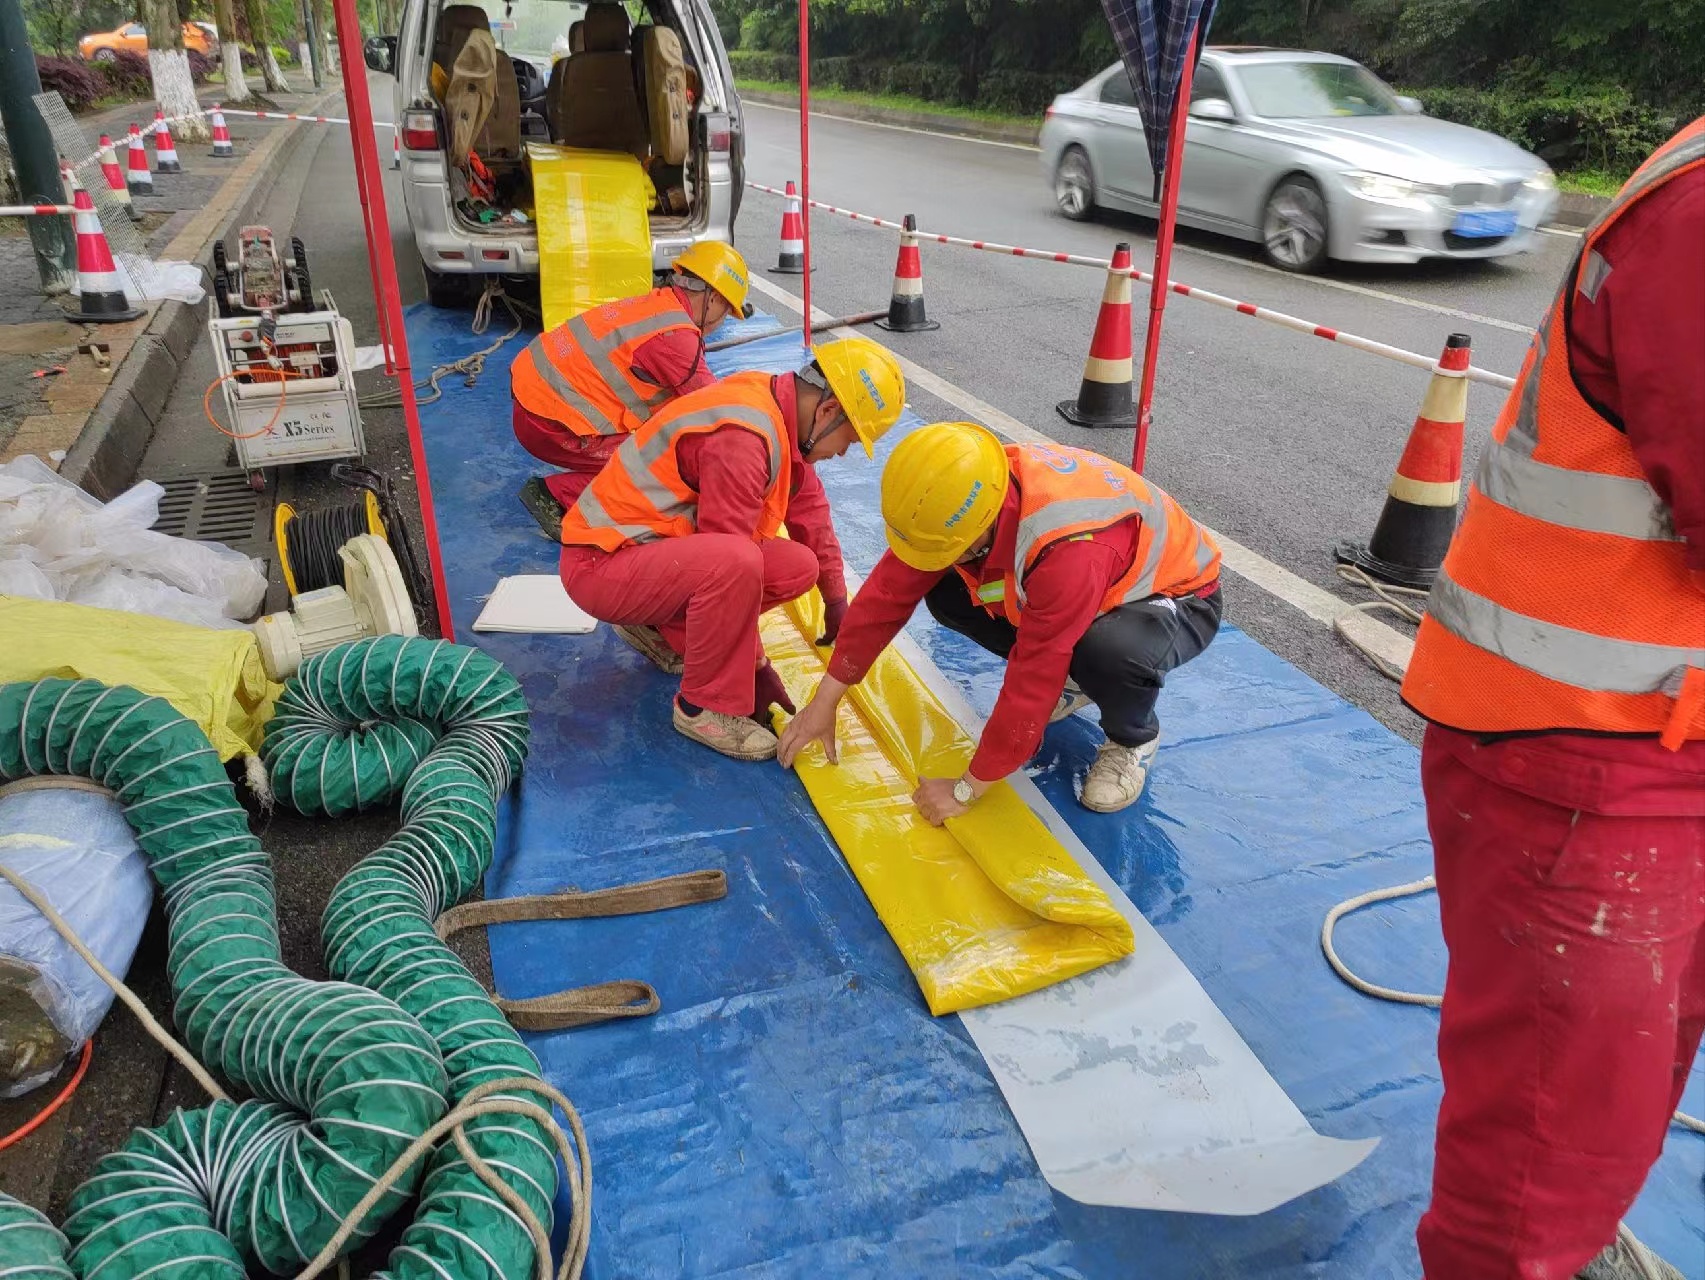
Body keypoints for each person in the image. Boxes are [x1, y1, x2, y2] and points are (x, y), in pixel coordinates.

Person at [1399, 116, 1705, 1280]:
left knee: (1632, 1070)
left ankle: (1570, 1243)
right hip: (1582, 743)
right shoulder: (1696, 212)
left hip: (1649, 725)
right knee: (1545, 1135)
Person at [778, 422, 1222, 817]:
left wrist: (966, 790)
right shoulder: (960, 489)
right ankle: (1078, 679)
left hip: (1174, 595)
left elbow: (1033, 674)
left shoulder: (1066, 551)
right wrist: (826, 701)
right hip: (1087, 582)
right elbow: (885, 597)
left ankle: (1133, 738)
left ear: (983, 526)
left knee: (1108, 652)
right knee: (947, 592)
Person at [558, 336, 905, 760]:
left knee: (799, 565)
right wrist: (754, 669)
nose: (843, 454)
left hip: (643, 556)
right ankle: (703, 706)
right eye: (849, 441)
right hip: (600, 566)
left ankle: (656, 629)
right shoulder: (744, 437)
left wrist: (835, 599)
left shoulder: (779, 411)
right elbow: (731, 566)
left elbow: (809, 508)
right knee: (739, 560)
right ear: (828, 412)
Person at [510, 241, 751, 532]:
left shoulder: (656, 304)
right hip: (548, 425)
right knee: (663, 469)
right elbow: (716, 410)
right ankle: (556, 495)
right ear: (712, 298)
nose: (721, 322)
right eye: (726, 311)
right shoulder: (676, 338)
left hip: (533, 405)